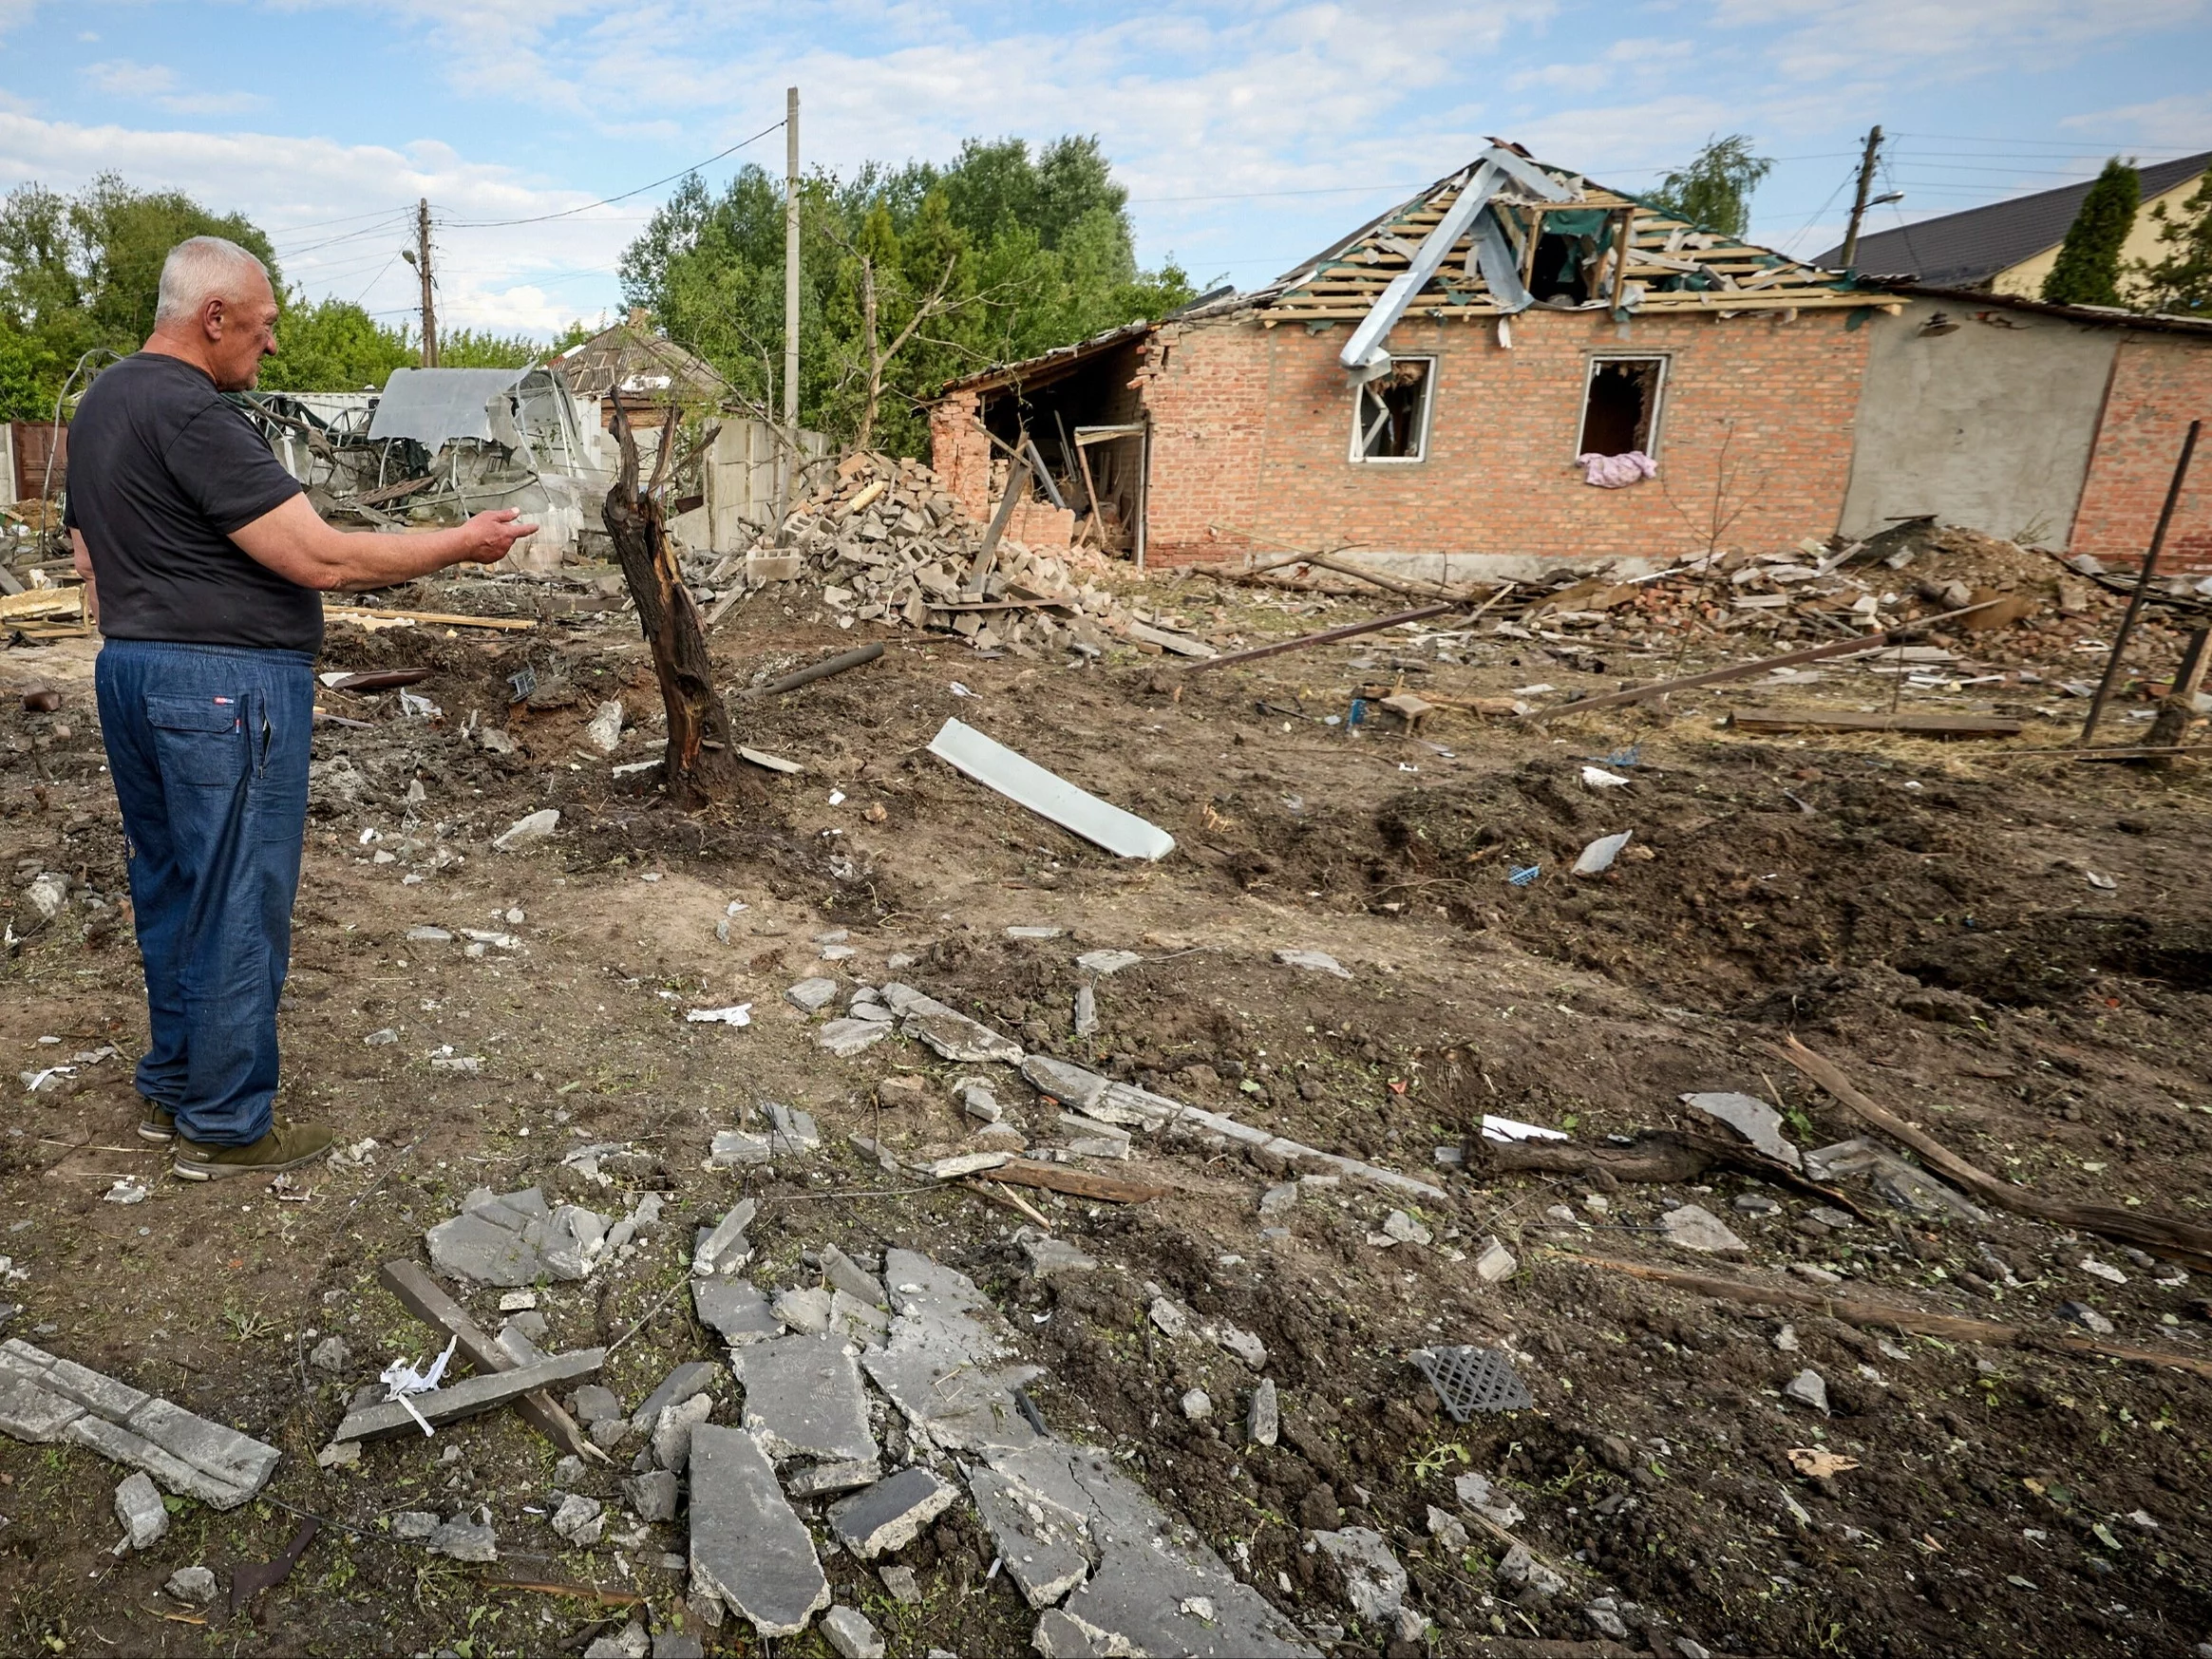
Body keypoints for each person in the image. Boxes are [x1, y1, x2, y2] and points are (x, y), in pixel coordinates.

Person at [66, 236, 538, 1180]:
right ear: (213, 317)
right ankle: (230, 1119)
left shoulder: (104, 403)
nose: (271, 347)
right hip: (221, 689)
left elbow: (85, 559)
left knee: (172, 884)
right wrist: (462, 543)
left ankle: (174, 1081)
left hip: (132, 669)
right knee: (239, 896)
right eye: (265, 324)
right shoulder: (193, 413)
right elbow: (318, 557)